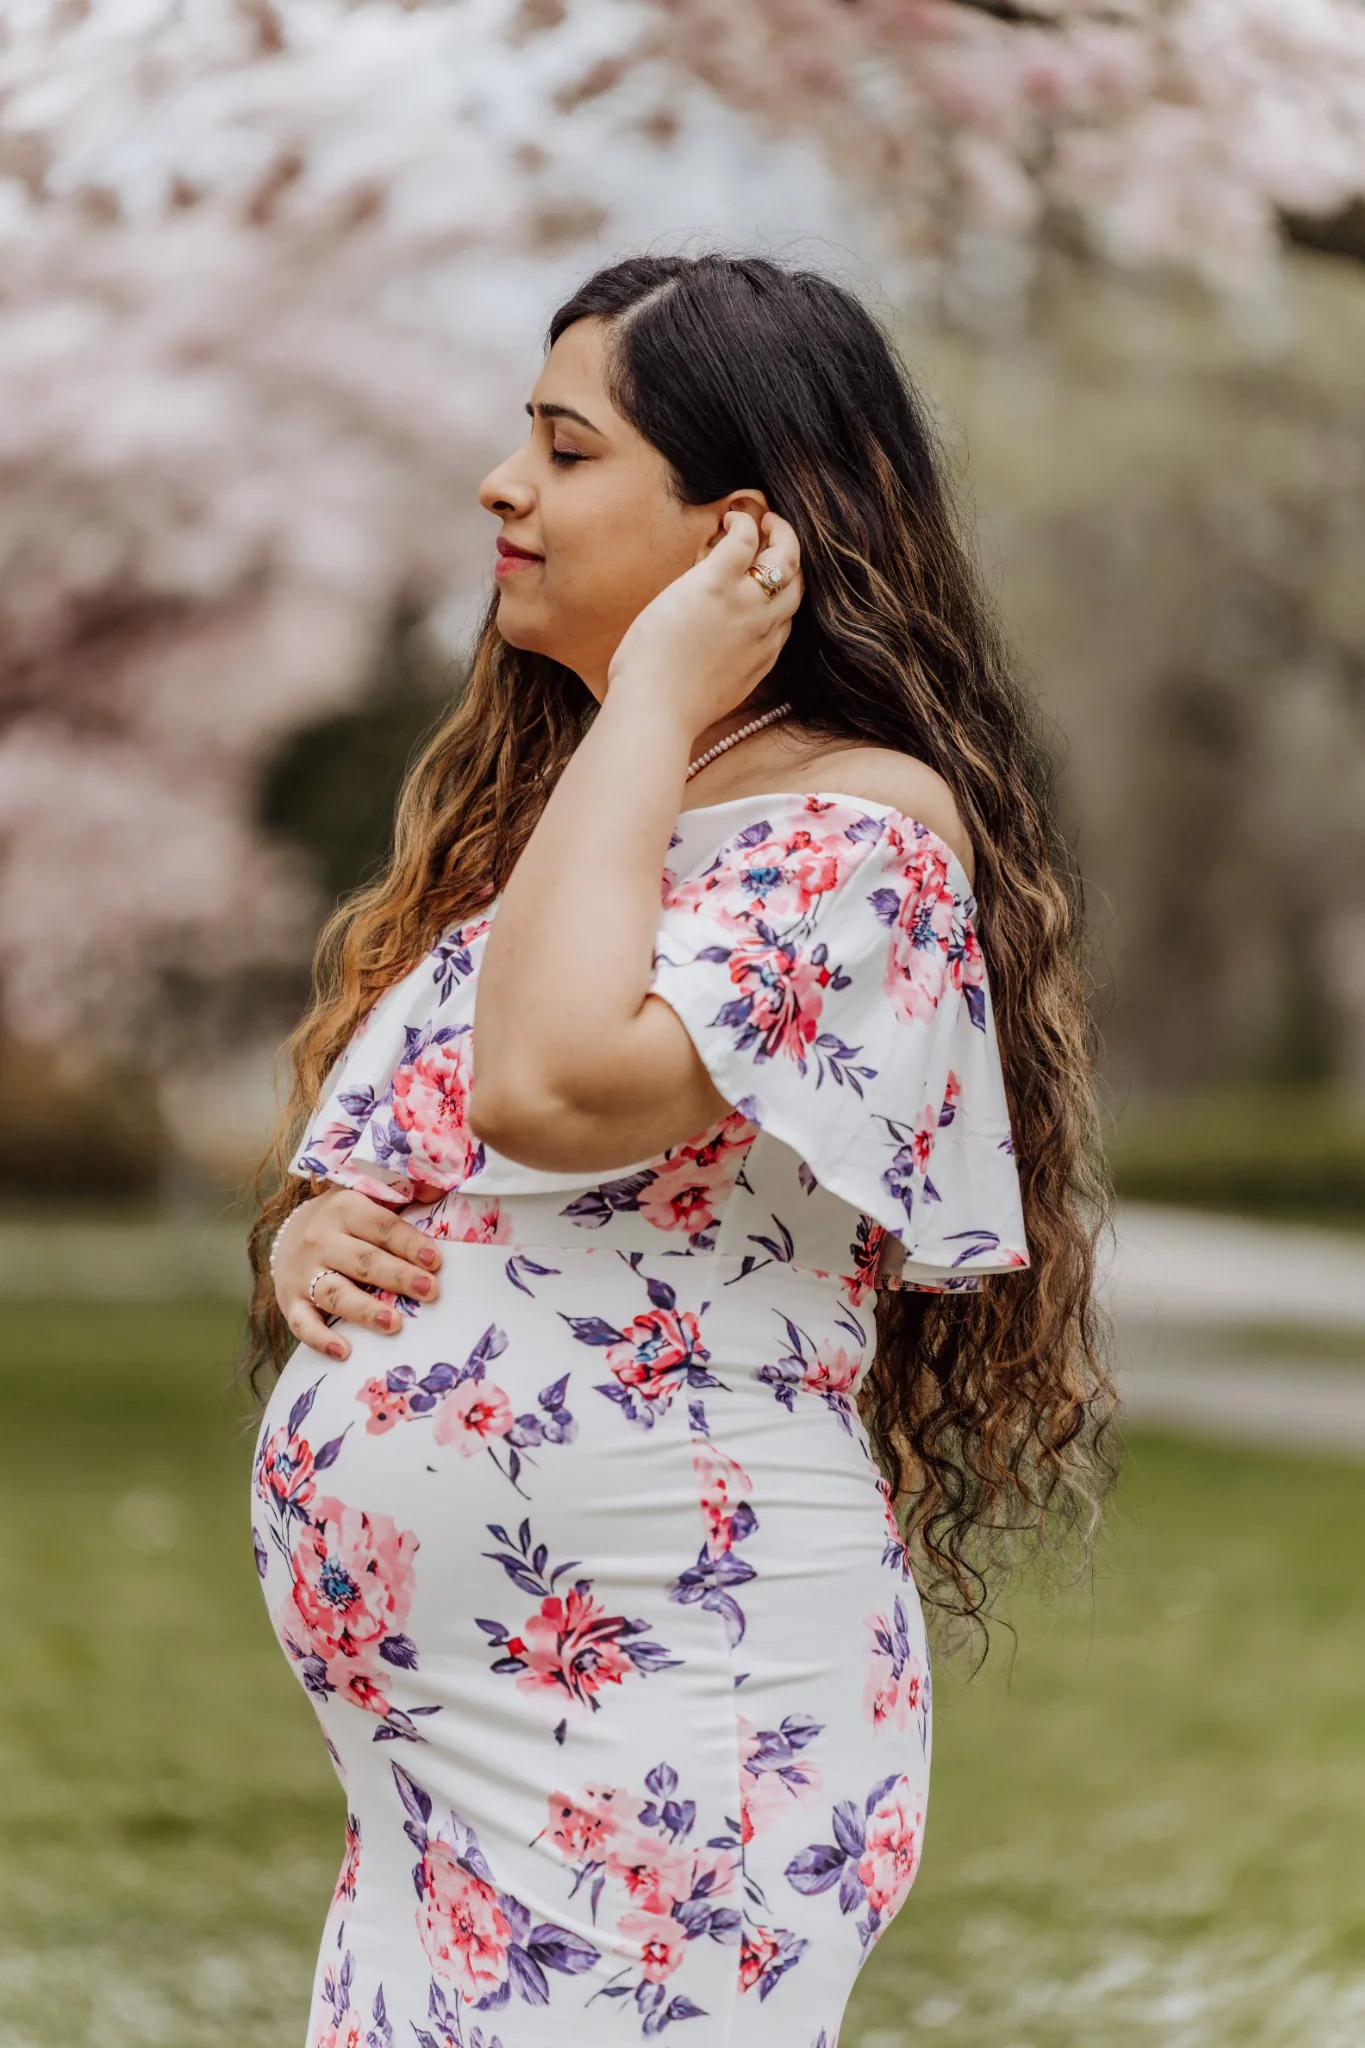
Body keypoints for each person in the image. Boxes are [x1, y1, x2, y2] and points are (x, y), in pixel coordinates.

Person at [246, 252, 1113, 2048]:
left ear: (743, 534)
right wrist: (320, 1235)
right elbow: (473, 1160)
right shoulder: (598, 814)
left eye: (567, 451)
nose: (503, 485)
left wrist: (649, 698)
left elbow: (556, 1092)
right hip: (443, 1782)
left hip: (666, 1709)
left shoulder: (861, 825)